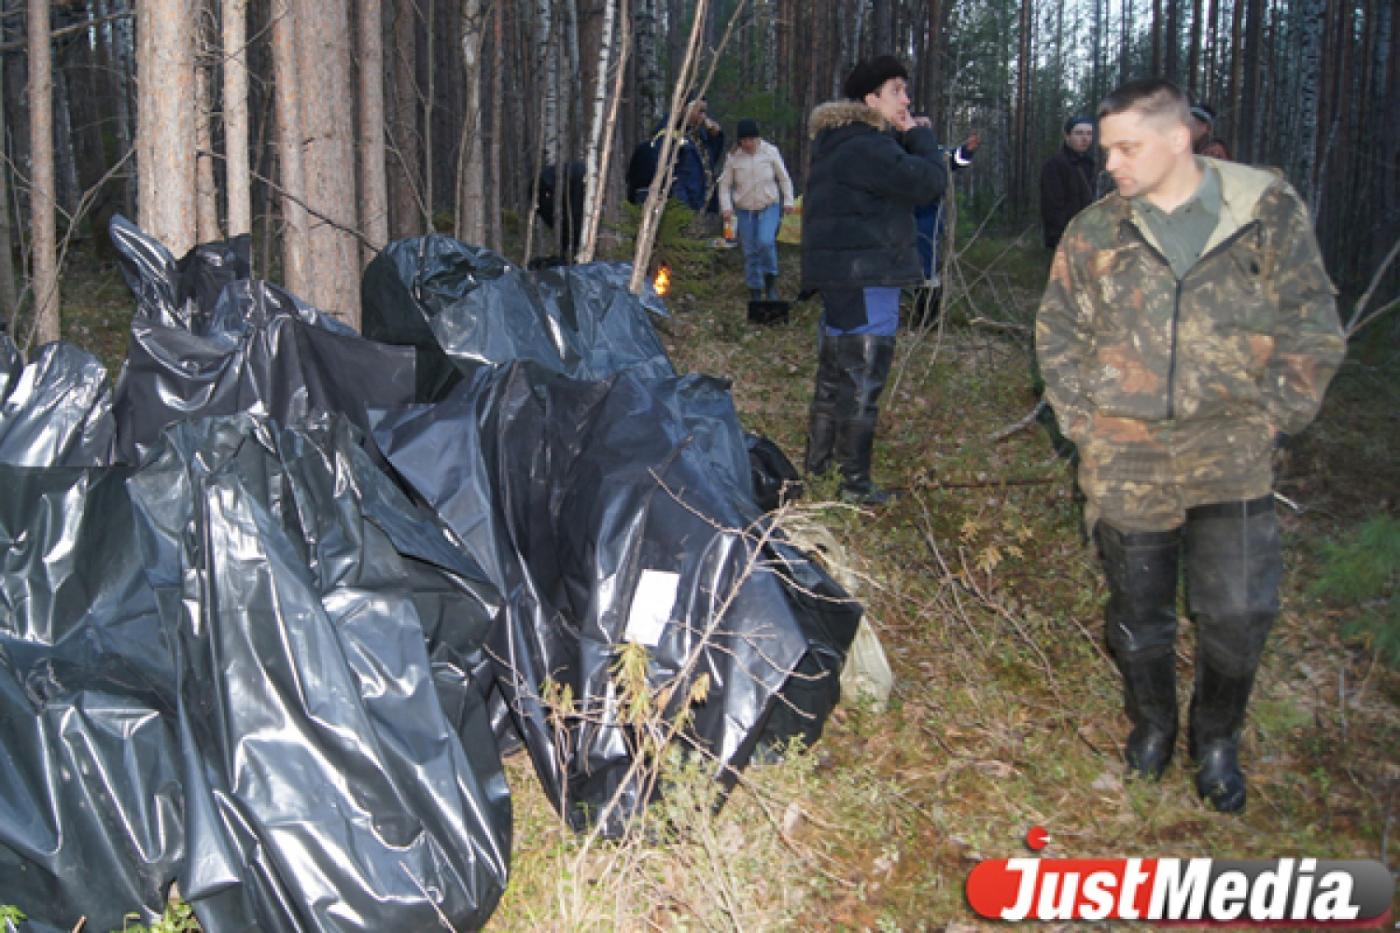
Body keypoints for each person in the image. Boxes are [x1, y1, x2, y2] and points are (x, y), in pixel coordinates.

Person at [1036, 77, 1346, 813]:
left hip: (1230, 452)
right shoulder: (1096, 230)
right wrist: (1087, 424)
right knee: (1138, 610)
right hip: (1127, 454)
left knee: (1239, 611)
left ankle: (1216, 737)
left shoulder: (1264, 214)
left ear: (1180, 140)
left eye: (1126, 147)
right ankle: (1152, 726)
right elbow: (1057, 334)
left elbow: (1312, 322)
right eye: (1105, 147)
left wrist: (1275, 414)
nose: (1109, 161)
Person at [800, 55, 948, 505]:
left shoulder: (840, 142)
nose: (906, 99)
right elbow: (926, 183)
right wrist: (920, 136)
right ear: (871, 99)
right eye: (897, 91)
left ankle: (818, 470)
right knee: (862, 380)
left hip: (841, 276)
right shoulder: (867, 145)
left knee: (833, 378)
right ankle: (855, 486)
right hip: (867, 276)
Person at [719, 118, 795, 301]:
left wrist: (789, 200)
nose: (748, 144)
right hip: (745, 211)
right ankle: (755, 290)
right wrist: (726, 207)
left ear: (757, 138)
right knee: (750, 251)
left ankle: (771, 282)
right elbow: (724, 186)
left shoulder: (770, 152)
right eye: (744, 140)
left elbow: (784, 178)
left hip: (768, 206)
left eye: (751, 140)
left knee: (765, 242)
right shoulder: (733, 158)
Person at [912, 120, 980, 321]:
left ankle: (927, 318)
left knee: (927, 267)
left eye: (927, 125)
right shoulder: (897, 149)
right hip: (898, 217)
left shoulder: (936, 151)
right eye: (918, 123)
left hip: (928, 217)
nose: (923, 127)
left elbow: (956, 160)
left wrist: (967, 150)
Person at [627, 97, 725, 213]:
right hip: (680, 204)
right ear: (685, 109)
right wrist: (679, 204)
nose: (703, 117)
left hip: (699, 203)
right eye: (700, 111)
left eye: (705, 112)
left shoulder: (698, 137)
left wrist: (716, 138)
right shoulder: (666, 137)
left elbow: (709, 162)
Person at [1039, 115, 1097, 250]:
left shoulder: (1090, 164)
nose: (1085, 138)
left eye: (1089, 133)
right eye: (1079, 133)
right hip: (1064, 240)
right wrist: (1064, 237)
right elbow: (1052, 208)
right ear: (1067, 136)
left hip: (1088, 238)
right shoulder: (1054, 165)